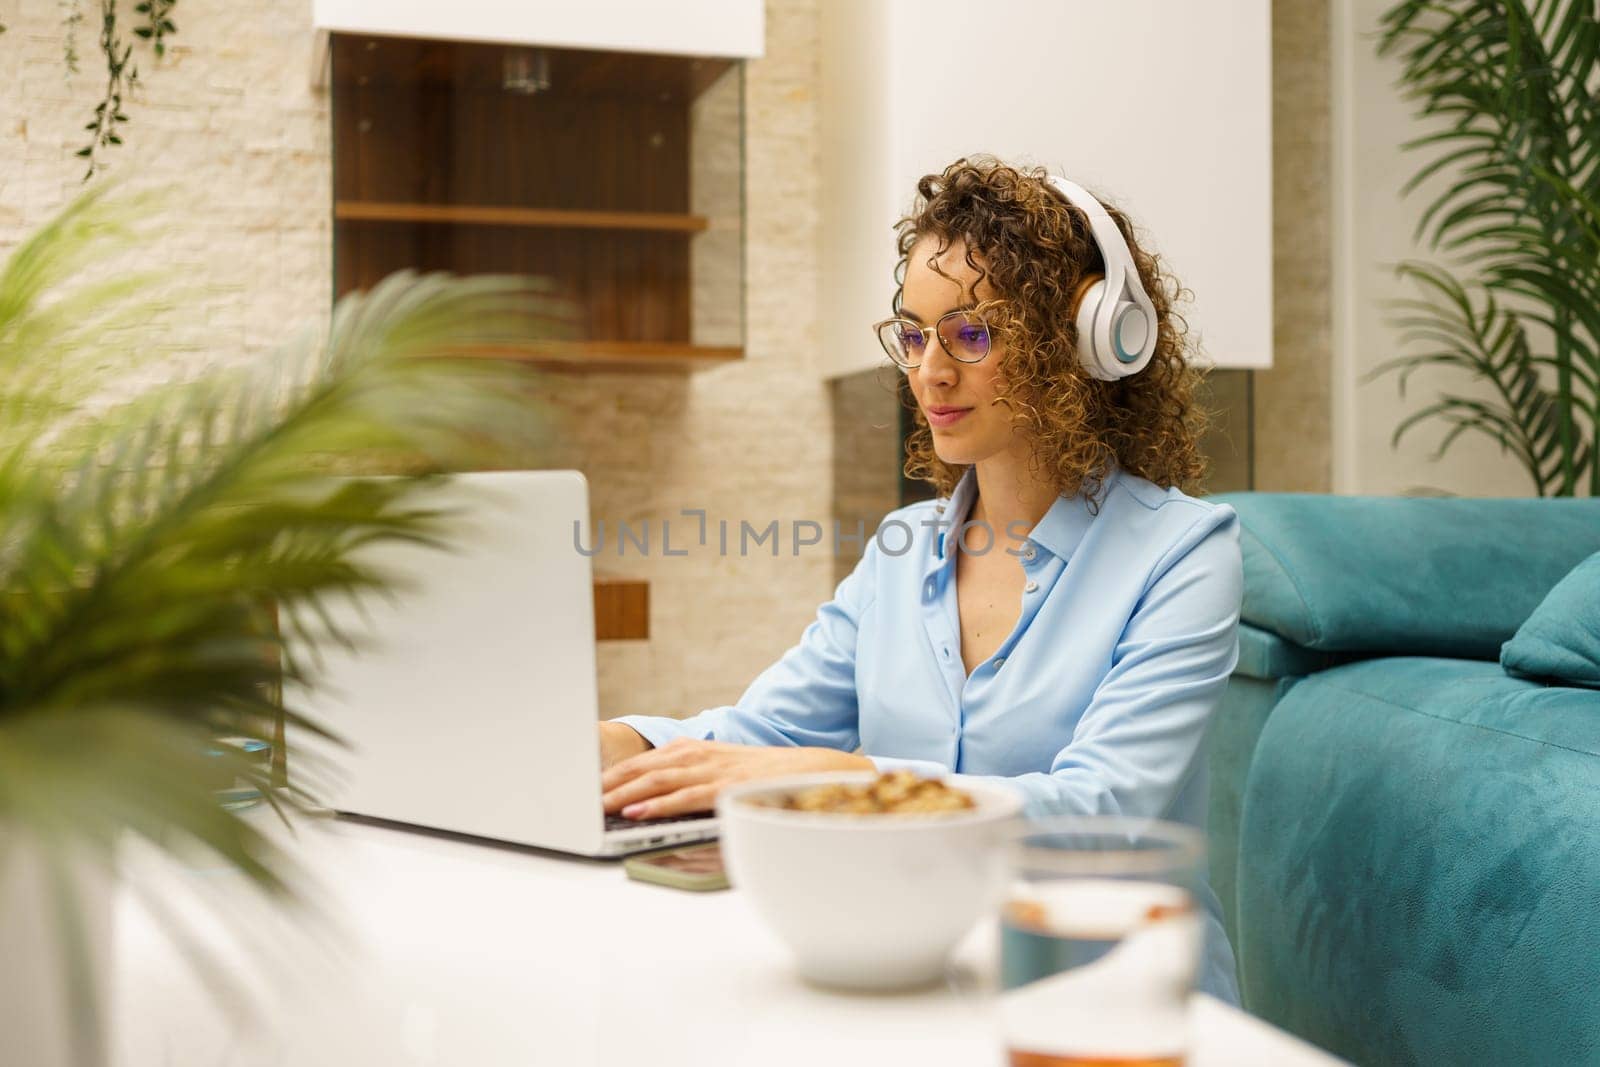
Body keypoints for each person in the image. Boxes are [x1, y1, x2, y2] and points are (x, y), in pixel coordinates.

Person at [597, 156, 1243, 1001]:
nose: (929, 372)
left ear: (1079, 341)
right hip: (930, 987)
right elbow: (763, 737)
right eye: (913, 333)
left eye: (972, 334)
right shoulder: (903, 548)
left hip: (1117, 1005)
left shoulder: (1185, 554)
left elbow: (1099, 814)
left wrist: (853, 781)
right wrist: (625, 747)